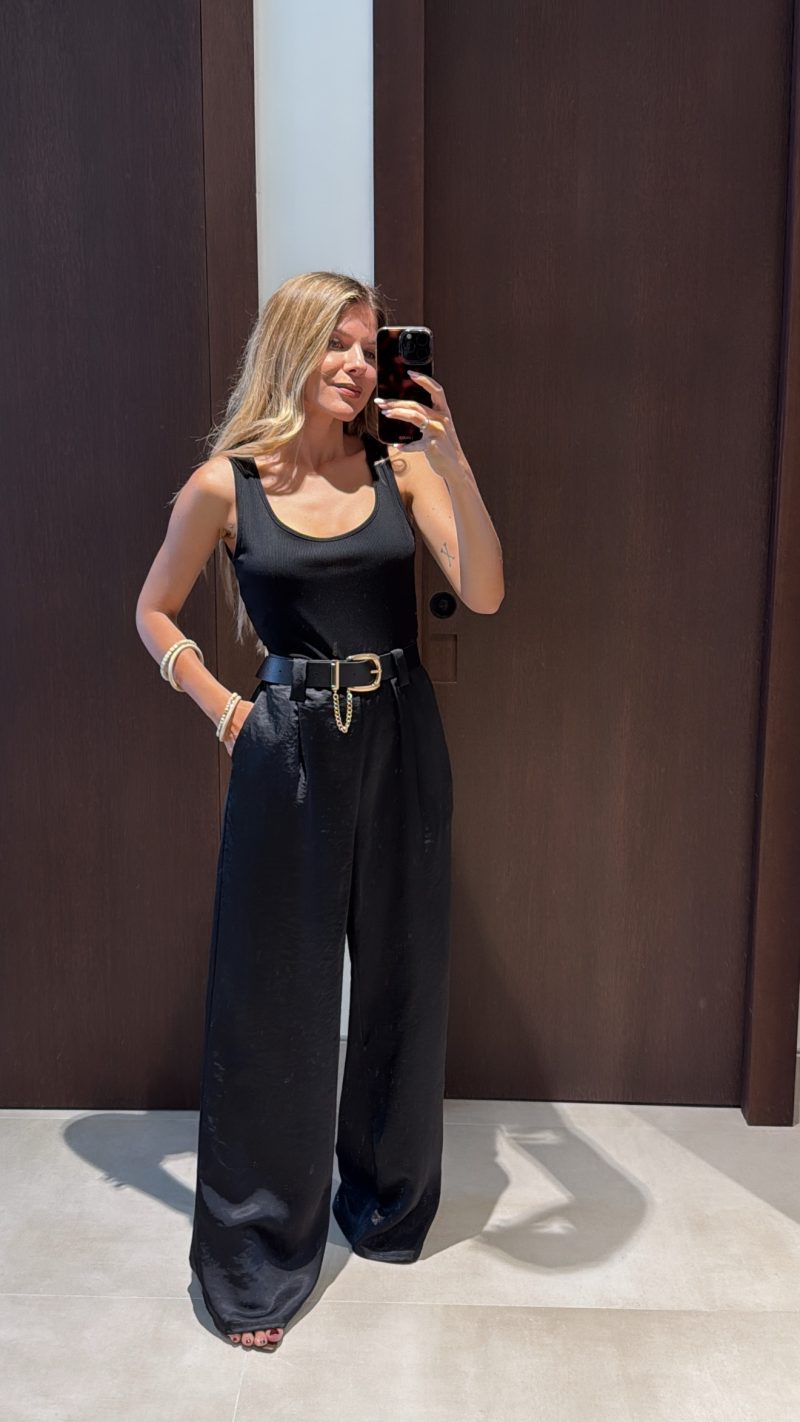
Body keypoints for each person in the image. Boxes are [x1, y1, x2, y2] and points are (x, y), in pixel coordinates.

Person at [135, 271, 504, 1349]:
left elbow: (484, 591)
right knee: (273, 1000)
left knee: (403, 975)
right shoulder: (226, 485)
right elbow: (153, 609)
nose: (357, 362)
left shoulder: (399, 466)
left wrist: (453, 458)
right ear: (290, 348)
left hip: (402, 732)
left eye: (370, 345)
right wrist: (223, 709)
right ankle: (253, 1254)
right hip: (287, 742)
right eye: (337, 342)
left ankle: (383, 1202)